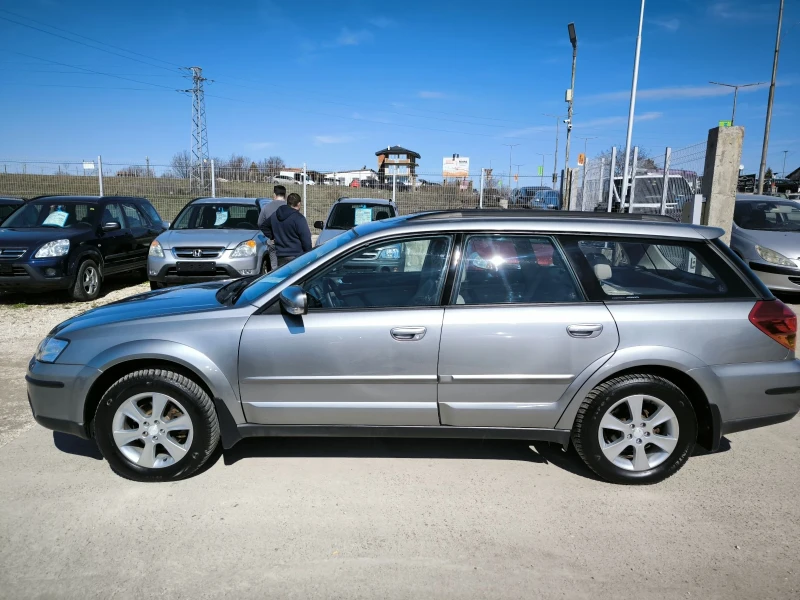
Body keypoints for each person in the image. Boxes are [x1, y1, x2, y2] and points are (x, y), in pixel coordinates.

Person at [264, 192, 312, 267]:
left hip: (281, 256)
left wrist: (272, 236)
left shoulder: (275, 215)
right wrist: (308, 253)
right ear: (299, 204)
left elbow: (264, 226)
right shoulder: (299, 218)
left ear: (287, 202)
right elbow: (306, 238)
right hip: (297, 256)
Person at [258, 185, 287, 270]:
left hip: (273, 241)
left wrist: (270, 235)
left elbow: (260, 224)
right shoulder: (289, 207)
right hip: (288, 241)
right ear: (285, 195)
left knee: (274, 267)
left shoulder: (266, 207)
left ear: (274, 195)